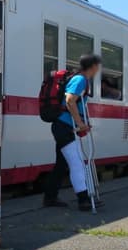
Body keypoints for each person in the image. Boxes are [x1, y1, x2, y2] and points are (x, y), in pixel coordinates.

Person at [43, 54, 103, 211]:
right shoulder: (80, 80)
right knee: (77, 163)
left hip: (63, 126)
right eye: (98, 66)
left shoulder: (80, 79)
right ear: (94, 66)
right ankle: (84, 200)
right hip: (64, 127)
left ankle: (50, 197)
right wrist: (81, 123)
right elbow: (70, 100)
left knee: (61, 165)